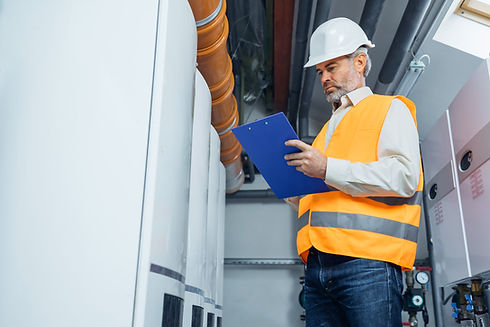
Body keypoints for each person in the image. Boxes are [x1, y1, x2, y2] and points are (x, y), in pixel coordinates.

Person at [283, 17, 423, 327]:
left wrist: (327, 167)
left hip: (367, 264)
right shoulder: (324, 134)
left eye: (330, 67)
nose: (323, 78)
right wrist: (293, 191)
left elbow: (404, 178)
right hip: (317, 266)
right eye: (320, 71)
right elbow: (329, 195)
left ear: (359, 62)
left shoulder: (389, 108)